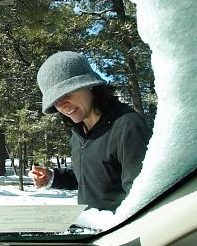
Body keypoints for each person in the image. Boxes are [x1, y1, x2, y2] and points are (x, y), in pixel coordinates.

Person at [31, 51, 151, 211]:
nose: (62, 105)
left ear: (90, 84)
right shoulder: (78, 134)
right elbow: (91, 178)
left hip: (121, 231)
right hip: (93, 231)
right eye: (55, 101)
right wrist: (52, 177)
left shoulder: (128, 127)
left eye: (66, 93)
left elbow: (143, 196)